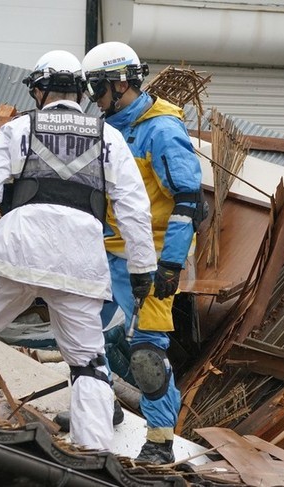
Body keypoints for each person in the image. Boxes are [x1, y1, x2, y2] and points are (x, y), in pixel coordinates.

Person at [0, 50, 157, 451]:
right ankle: (92, 458)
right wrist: (143, 270)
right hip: (80, 261)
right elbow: (133, 208)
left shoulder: (19, 129)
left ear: (39, 90)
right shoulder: (108, 137)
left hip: (17, 252)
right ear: (81, 91)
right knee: (87, 364)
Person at [80, 42, 206, 464]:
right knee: (83, 338)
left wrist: (170, 263)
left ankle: (159, 439)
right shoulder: (109, 128)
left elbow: (189, 201)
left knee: (147, 353)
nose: (94, 100)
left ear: (119, 83)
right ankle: (101, 409)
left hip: (151, 260)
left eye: (97, 90)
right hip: (107, 255)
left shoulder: (162, 130)